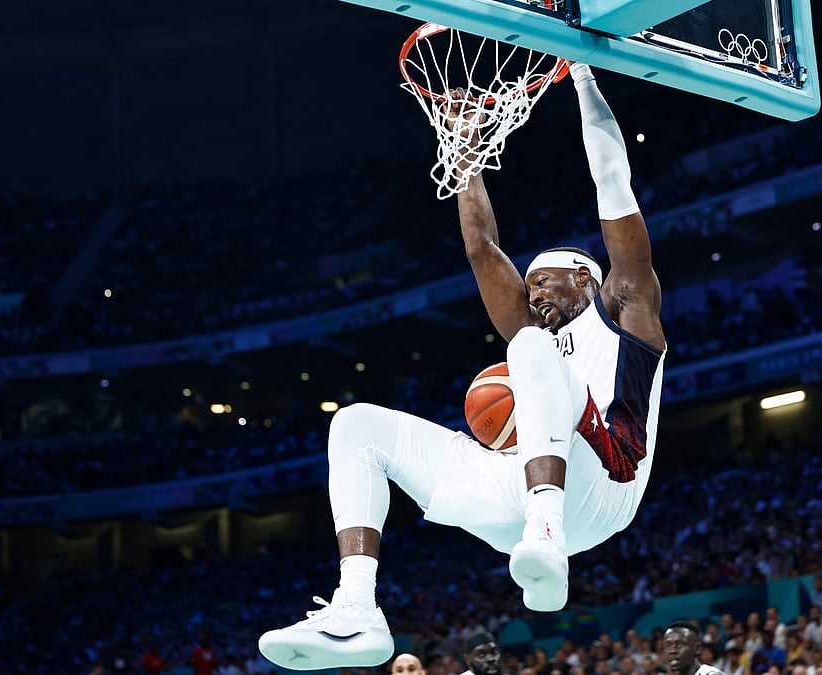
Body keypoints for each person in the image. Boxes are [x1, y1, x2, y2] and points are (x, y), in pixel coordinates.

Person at [257, 62, 667, 670]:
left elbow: (613, 180)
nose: (533, 296)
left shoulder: (626, 309)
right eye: (528, 287)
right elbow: (481, 248)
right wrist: (467, 152)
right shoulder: (532, 328)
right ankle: (357, 609)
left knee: (525, 348)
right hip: (515, 501)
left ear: (586, 278)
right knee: (355, 425)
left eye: (544, 282)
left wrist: (583, 80)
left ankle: (548, 536)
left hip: (605, 484)